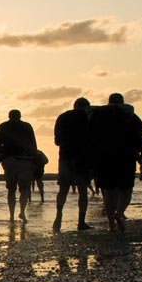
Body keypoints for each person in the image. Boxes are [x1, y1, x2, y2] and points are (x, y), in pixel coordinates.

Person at [89, 93, 142, 233]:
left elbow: (90, 135)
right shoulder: (129, 115)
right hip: (126, 157)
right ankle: (119, 213)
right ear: (122, 102)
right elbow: (139, 136)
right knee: (126, 190)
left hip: (104, 158)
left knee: (108, 192)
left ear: (109, 102)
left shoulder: (98, 115)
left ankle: (111, 225)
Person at [52, 97, 93, 232]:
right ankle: (81, 221)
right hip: (82, 158)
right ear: (87, 106)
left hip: (65, 156)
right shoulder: (88, 116)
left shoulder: (62, 117)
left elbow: (57, 141)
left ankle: (58, 216)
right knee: (82, 190)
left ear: (74, 106)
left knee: (63, 189)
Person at [0, 109, 39, 223]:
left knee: (11, 189)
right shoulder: (27, 126)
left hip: (9, 160)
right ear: (20, 116)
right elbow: (33, 143)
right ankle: (22, 212)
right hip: (25, 160)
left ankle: (11, 216)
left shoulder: (3, 126)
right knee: (24, 189)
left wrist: (2, 155)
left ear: (9, 116)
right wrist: (33, 157)